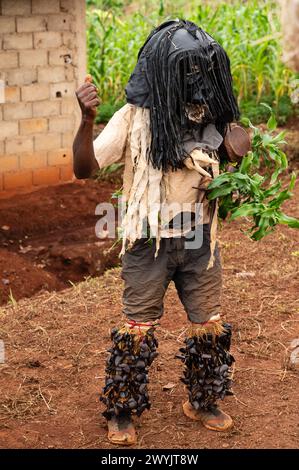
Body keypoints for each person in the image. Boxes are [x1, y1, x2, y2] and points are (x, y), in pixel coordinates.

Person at [73, 19, 240, 446]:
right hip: (148, 242)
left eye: (202, 70)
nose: (196, 80)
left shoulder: (212, 118)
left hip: (199, 240)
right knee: (137, 327)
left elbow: (229, 184)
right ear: (162, 71)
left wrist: (238, 154)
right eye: (187, 70)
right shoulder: (134, 119)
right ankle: (123, 409)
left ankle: (202, 400)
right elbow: (83, 168)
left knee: (208, 324)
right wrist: (87, 120)